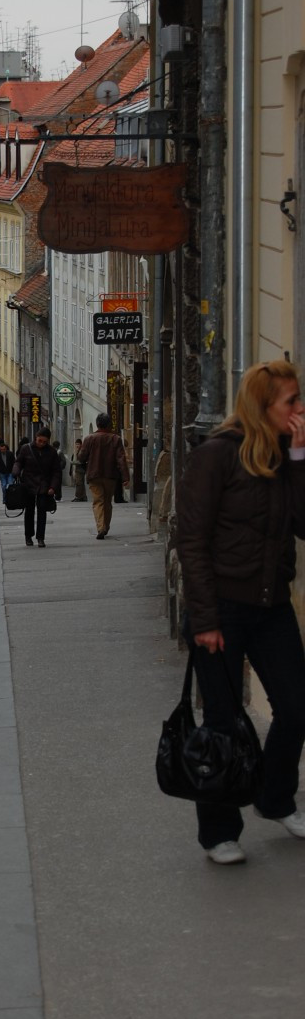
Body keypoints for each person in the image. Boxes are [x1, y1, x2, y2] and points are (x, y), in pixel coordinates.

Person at [177, 359, 305, 865]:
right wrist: (205, 619)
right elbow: (193, 541)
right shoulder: (216, 457)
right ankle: (219, 831)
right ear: (261, 406)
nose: (299, 409)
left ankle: (275, 800)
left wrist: (298, 454)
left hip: (271, 605)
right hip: (222, 609)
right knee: (224, 724)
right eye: (290, 401)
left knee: (297, 708)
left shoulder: (283, 455)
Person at [79, 413, 130, 538]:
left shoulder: (89, 439)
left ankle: (101, 527)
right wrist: (125, 477)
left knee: (98, 501)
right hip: (110, 475)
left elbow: (81, 457)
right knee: (107, 501)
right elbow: (121, 459)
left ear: (97, 424)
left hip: (94, 475)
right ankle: (105, 526)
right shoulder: (115, 439)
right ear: (109, 425)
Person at [14, 426, 62, 547]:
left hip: (43, 484)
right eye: (39, 440)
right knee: (29, 511)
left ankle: (40, 537)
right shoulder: (26, 448)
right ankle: (28, 536)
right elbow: (18, 462)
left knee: (42, 510)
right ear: (36, 438)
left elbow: (56, 471)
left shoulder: (51, 452)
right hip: (28, 483)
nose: (41, 443)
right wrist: (16, 471)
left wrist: (53, 487)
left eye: (44, 442)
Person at [0, 440, 15, 504]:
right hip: (2, 473)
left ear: (6, 448)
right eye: (1, 449)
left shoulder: (10, 454)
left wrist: (15, 472)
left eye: (4, 449)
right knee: (4, 486)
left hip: (10, 472)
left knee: (10, 485)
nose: (3, 451)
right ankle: (5, 499)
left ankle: (11, 499)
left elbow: (14, 463)